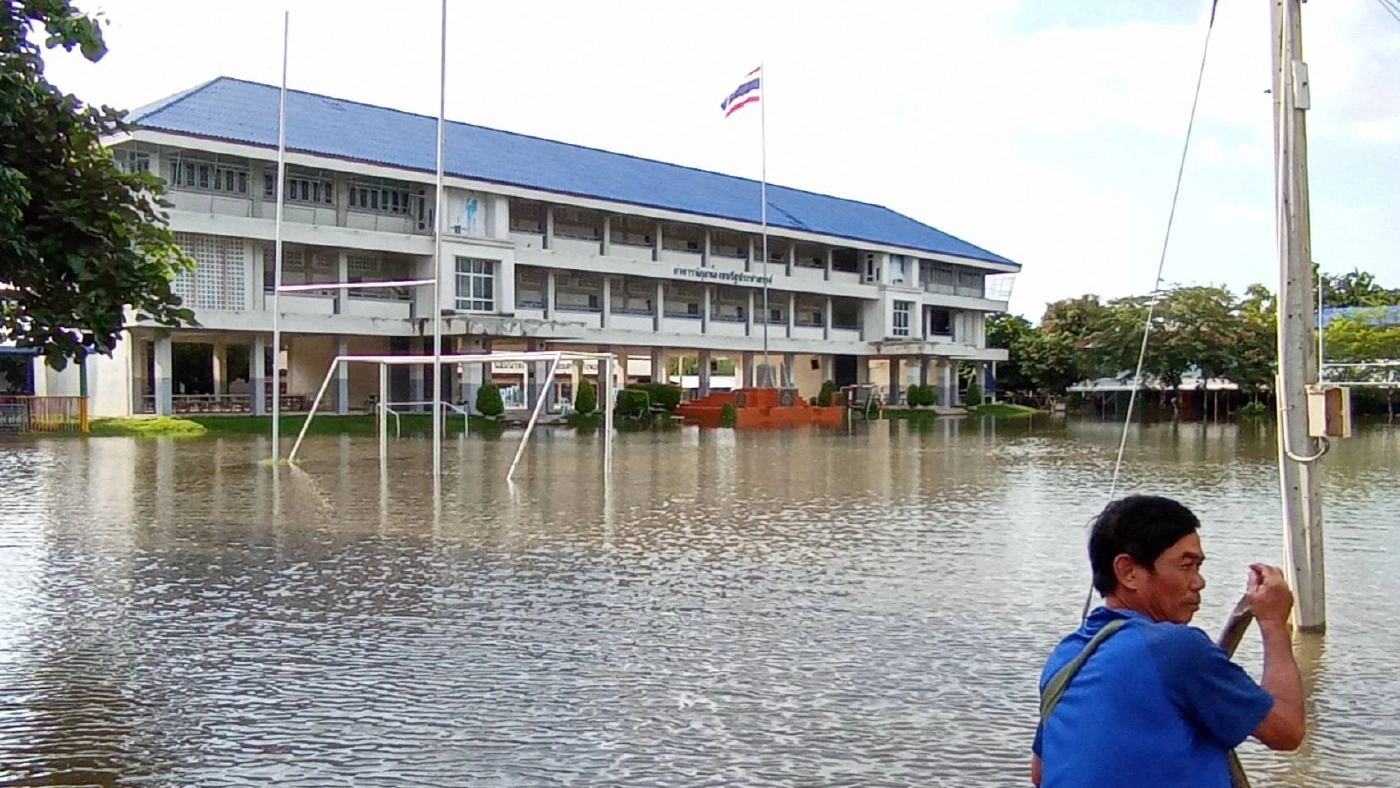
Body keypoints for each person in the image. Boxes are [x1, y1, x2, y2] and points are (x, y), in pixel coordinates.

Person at [1031, 495, 1306, 787]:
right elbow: (1288, 730)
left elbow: (1040, 773)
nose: (1199, 582)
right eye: (1187, 566)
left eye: (1198, 567)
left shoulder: (1067, 655)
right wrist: (1273, 623)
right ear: (1129, 572)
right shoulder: (1174, 648)